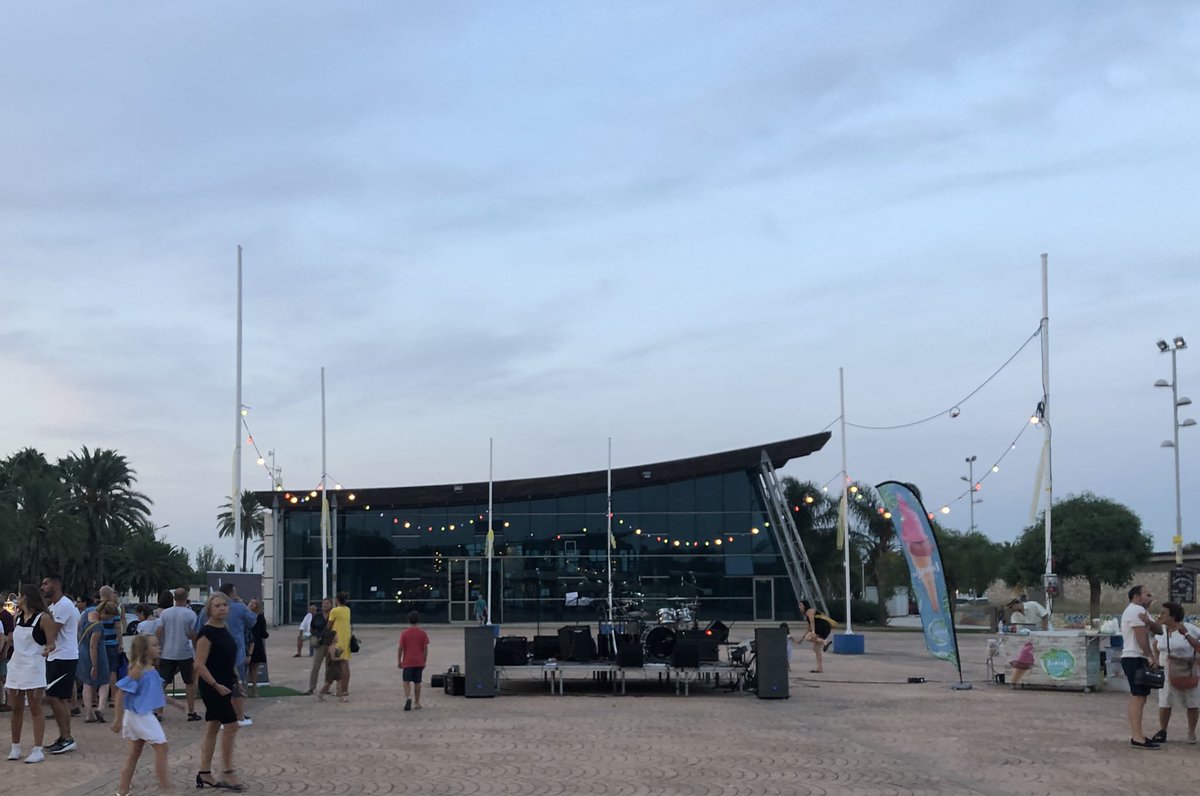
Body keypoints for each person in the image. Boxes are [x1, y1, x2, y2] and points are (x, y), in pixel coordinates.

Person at [111, 634, 184, 795]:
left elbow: (157, 692)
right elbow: (121, 693)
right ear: (144, 650)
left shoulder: (151, 670)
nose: (159, 648)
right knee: (162, 748)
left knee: (134, 753)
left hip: (137, 715)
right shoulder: (138, 670)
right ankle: (166, 787)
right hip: (140, 715)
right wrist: (117, 719)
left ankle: (122, 791)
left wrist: (174, 703)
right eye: (154, 645)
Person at [193, 592, 245, 791]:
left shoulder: (225, 628)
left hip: (226, 683)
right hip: (212, 685)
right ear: (209, 609)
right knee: (231, 725)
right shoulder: (206, 633)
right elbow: (199, 664)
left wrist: (237, 680)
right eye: (217, 605)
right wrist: (215, 685)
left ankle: (204, 772)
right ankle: (228, 770)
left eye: (225, 604)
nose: (222, 608)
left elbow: (228, 659)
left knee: (213, 726)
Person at [6, 585, 58, 763]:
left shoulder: (43, 618)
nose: (17, 599)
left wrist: (48, 649)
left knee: (35, 708)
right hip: (16, 666)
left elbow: (52, 643)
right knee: (16, 708)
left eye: (20, 596)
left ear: (26, 597)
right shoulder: (18, 617)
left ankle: (37, 749)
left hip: (34, 667)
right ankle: (15, 746)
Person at [1122, 584, 1166, 749]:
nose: (1150, 598)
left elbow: (1159, 630)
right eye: (1147, 595)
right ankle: (1137, 736)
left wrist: (1148, 621)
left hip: (1137, 657)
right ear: (1136, 597)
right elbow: (1140, 636)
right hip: (1134, 656)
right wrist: (1150, 656)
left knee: (1141, 695)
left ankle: (1138, 734)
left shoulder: (1143, 613)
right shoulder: (1135, 611)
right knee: (1138, 696)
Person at [1150, 601, 1200, 744]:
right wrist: (1155, 659)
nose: (1160, 615)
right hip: (1166, 667)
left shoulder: (1190, 629)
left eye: (1164, 613)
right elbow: (1156, 644)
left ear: (1173, 616)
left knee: (1192, 700)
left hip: (1186, 668)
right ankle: (1163, 730)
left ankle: (1191, 732)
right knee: (1165, 699)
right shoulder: (1161, 630)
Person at [40, 575, 79, 755]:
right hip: (55, 657)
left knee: (54, 697)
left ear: (56, 585)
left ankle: (67, 737)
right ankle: (65, 737)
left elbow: (52, 631)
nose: (43, 587)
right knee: (59, 699)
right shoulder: (52, 607)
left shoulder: (64, 605)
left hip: (64, 657)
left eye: (46, 583)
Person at [159, 587, 201, 722]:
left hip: (167, 652)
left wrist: (158, 648)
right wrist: (197, 651)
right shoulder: (191, 614)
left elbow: (159, 631)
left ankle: (158, 712)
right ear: (186, 597)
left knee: (162, 683)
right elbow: (193, 634)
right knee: (189, 682)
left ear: (174, 598)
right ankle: (191, 711)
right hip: (185, 652)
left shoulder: (165, 613)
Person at [78, 601, 116, 724]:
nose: (109, 619)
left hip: (82, 652)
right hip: (97, 654)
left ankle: (88, 713)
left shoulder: (86, 613)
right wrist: (94, 665)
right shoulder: (98, 626)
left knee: (87, 683)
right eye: (109, 616)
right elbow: (93, 646)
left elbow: (78, 628)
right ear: (104, 612)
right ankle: (100, 708)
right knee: (104, 681)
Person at [398, 610, 430, 711]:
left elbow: (401, 648)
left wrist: (399, 660)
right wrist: (424, 661)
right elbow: (425, 648)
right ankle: (417, 702)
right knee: (417, 682)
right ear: (418, 620)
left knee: (406, 681)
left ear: (408, 620)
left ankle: (408, 697)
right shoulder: (423, 633)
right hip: (419, 661)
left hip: (408, 661)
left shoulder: (404, 633)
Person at [790, 599, 835, 673]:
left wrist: (813, 632)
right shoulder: (807, 615)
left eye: (800, 605)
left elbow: (812, 622)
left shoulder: (809, 611)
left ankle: (825, 641)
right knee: (816, 648)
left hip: (823, 626)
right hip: (825, 629)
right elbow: (808, 628)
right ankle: (820, 668)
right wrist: (801, 639)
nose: (799, 607)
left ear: (805, 606)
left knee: (808, 637)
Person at [328, 592, 353, 699]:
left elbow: (329, 625)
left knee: (340, 666)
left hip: (338, 639)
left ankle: (341, 689)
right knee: (346, 664)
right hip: (346, 639)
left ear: (337, 599)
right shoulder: (347, 610)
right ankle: (345, 688)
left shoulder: (335, 611)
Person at [306, 599, 332, 695]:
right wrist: (314, 637)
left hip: (330, 643)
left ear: (331, 605)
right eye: (323, 603)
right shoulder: (317, 616)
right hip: (320, 643)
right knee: (316, 666)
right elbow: (312, 627)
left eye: (327, 603)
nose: (325, 605)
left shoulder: (333, 615)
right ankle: (312, 687)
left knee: (329, 666)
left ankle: (326, 687)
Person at [247, 598, 269, 698]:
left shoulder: (260, 617)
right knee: (246, 668)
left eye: (254, 603)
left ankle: (254, 689)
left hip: (256, 644)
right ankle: (246, 689)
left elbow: (263, 632)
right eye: (250, 602)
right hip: (247, 643)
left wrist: (265, 634)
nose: (251, 604)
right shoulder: (246, 616)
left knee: (254, 668)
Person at [316, 629, 344, 702]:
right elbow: (333, 658)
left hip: (336, 667)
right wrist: (341, 659)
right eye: (336, 636)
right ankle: (321, 694)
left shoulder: (334, 646)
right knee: (329, 683)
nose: (337, 637)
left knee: (336, 682)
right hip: (333, 668)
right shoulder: (331, 647)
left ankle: (340, 697)